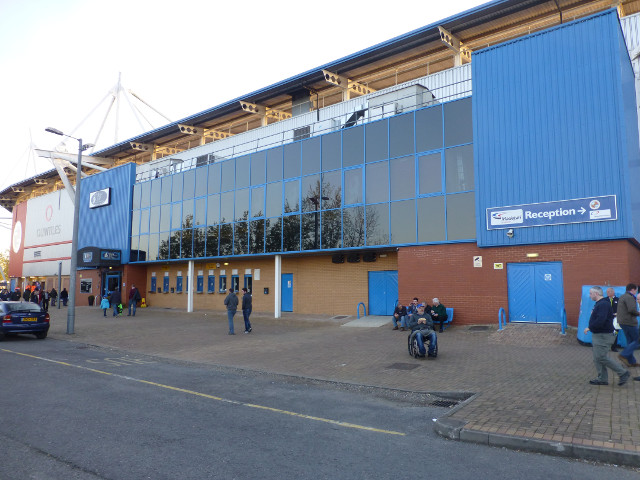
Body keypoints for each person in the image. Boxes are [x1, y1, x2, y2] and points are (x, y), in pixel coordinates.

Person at [583, 286, 630, 386]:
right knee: (597, 357)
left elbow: (601, 320)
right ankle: (602, 378)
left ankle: (623, 372)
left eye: (591, 293)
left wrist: (590, 327)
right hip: (599, 335)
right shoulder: (600, 304)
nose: (590, 295)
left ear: (596, 294)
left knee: (600, 357)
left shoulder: (603, 304)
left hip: (603, 335)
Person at [616, 283, 640, 368]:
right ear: (632, 289)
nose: (636, 292)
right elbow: (631, 309)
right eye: (636, 290)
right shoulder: (630, 297)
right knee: (637, 340)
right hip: (629, 322)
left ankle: (631, 362)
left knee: (630, 342)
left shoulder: (623, 296)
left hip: (623, 322)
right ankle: (624, 354)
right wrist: (639, 313)